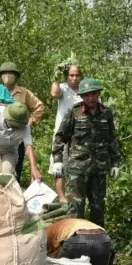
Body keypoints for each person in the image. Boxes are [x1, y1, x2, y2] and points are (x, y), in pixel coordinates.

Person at [50, 78, 120, 226]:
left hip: (99, 169)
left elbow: (112, 139)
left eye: (94, 94)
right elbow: (60, 137)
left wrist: (115, 163)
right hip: (77, 168)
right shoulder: (74, 112)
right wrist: (57, 161)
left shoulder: (106, 113)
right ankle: (74, 242)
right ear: (81, 96)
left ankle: (98, 243)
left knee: (98, 208)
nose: (91, 98)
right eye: (87, 95)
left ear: (99, 93)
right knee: (75, 208)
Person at [0, 62, 45, 180]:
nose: (8, 75)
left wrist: (31, 121)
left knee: (15, 169)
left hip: (18, 137)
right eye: (5, 73)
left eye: (11, 73)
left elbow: (39, 107)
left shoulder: (24, 92)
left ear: (16, 76)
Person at [0, 101, 41, 180]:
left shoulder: (25, 126)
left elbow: (28, 146)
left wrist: (34, 168)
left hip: (8, 151)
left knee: (7, 176)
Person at [50, 63, 82, 200]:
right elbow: (54, 93)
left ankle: (76, 197)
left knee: (78, 166)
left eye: (77, 75)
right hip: (62, 134)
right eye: (71, 75)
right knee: (59, 166)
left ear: (81, 76)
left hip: (80, 134)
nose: (74, 78)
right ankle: (62, 198)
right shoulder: (63, 87)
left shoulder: (86, 90)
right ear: (67, 76)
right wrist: (56, 76)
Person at [46, 217, 115, 265]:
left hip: (78, 238)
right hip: (103, 239)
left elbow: (48, 253)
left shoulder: (47, 232)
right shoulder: (65, 225)